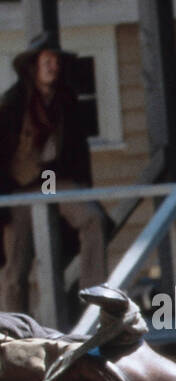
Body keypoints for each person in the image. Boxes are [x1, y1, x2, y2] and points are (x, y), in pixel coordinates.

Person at [0, 32, 106, 315]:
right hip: (19, 187)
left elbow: (78, 150)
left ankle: (94, 301)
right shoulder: (12, 103)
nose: (52, 67)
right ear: (33, 67)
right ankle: (13, 332)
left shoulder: (66, 101)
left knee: (93, 218)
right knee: (15, 268)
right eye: (47, 61)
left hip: (55, 181)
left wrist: (85, 186)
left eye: (56, 62)